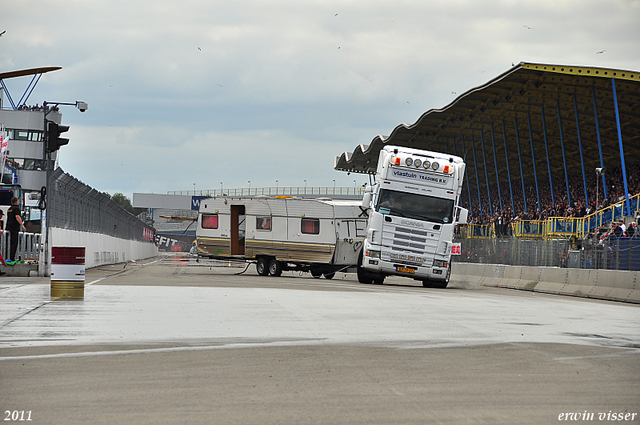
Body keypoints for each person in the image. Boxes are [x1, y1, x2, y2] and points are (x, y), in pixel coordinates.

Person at [6, 197, 25, 262]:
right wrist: (22, 225)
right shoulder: (16, 209)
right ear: (16, 202)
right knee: (14, 243)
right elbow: (17, 216)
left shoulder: (9, 209)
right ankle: (12, 258)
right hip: (14, 228)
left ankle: (6, 257)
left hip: (8, 227)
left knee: (8, 243)